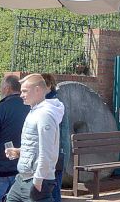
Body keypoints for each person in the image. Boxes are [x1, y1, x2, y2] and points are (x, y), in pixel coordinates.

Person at [4, 73, 64, 202]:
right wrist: (20, 152)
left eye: (25, 91)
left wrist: (38, 179)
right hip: (23, 178)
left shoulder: (44, 115)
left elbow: (47, 151)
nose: (21, 95)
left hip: (36, 179)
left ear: (37, 90)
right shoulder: (34, 111)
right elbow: (35, 145)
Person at [41, 74, 70, 202]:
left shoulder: (52, 105)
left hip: (56, 154)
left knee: (53, 191)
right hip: (59, 153)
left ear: (48, 86)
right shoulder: (56, 102)